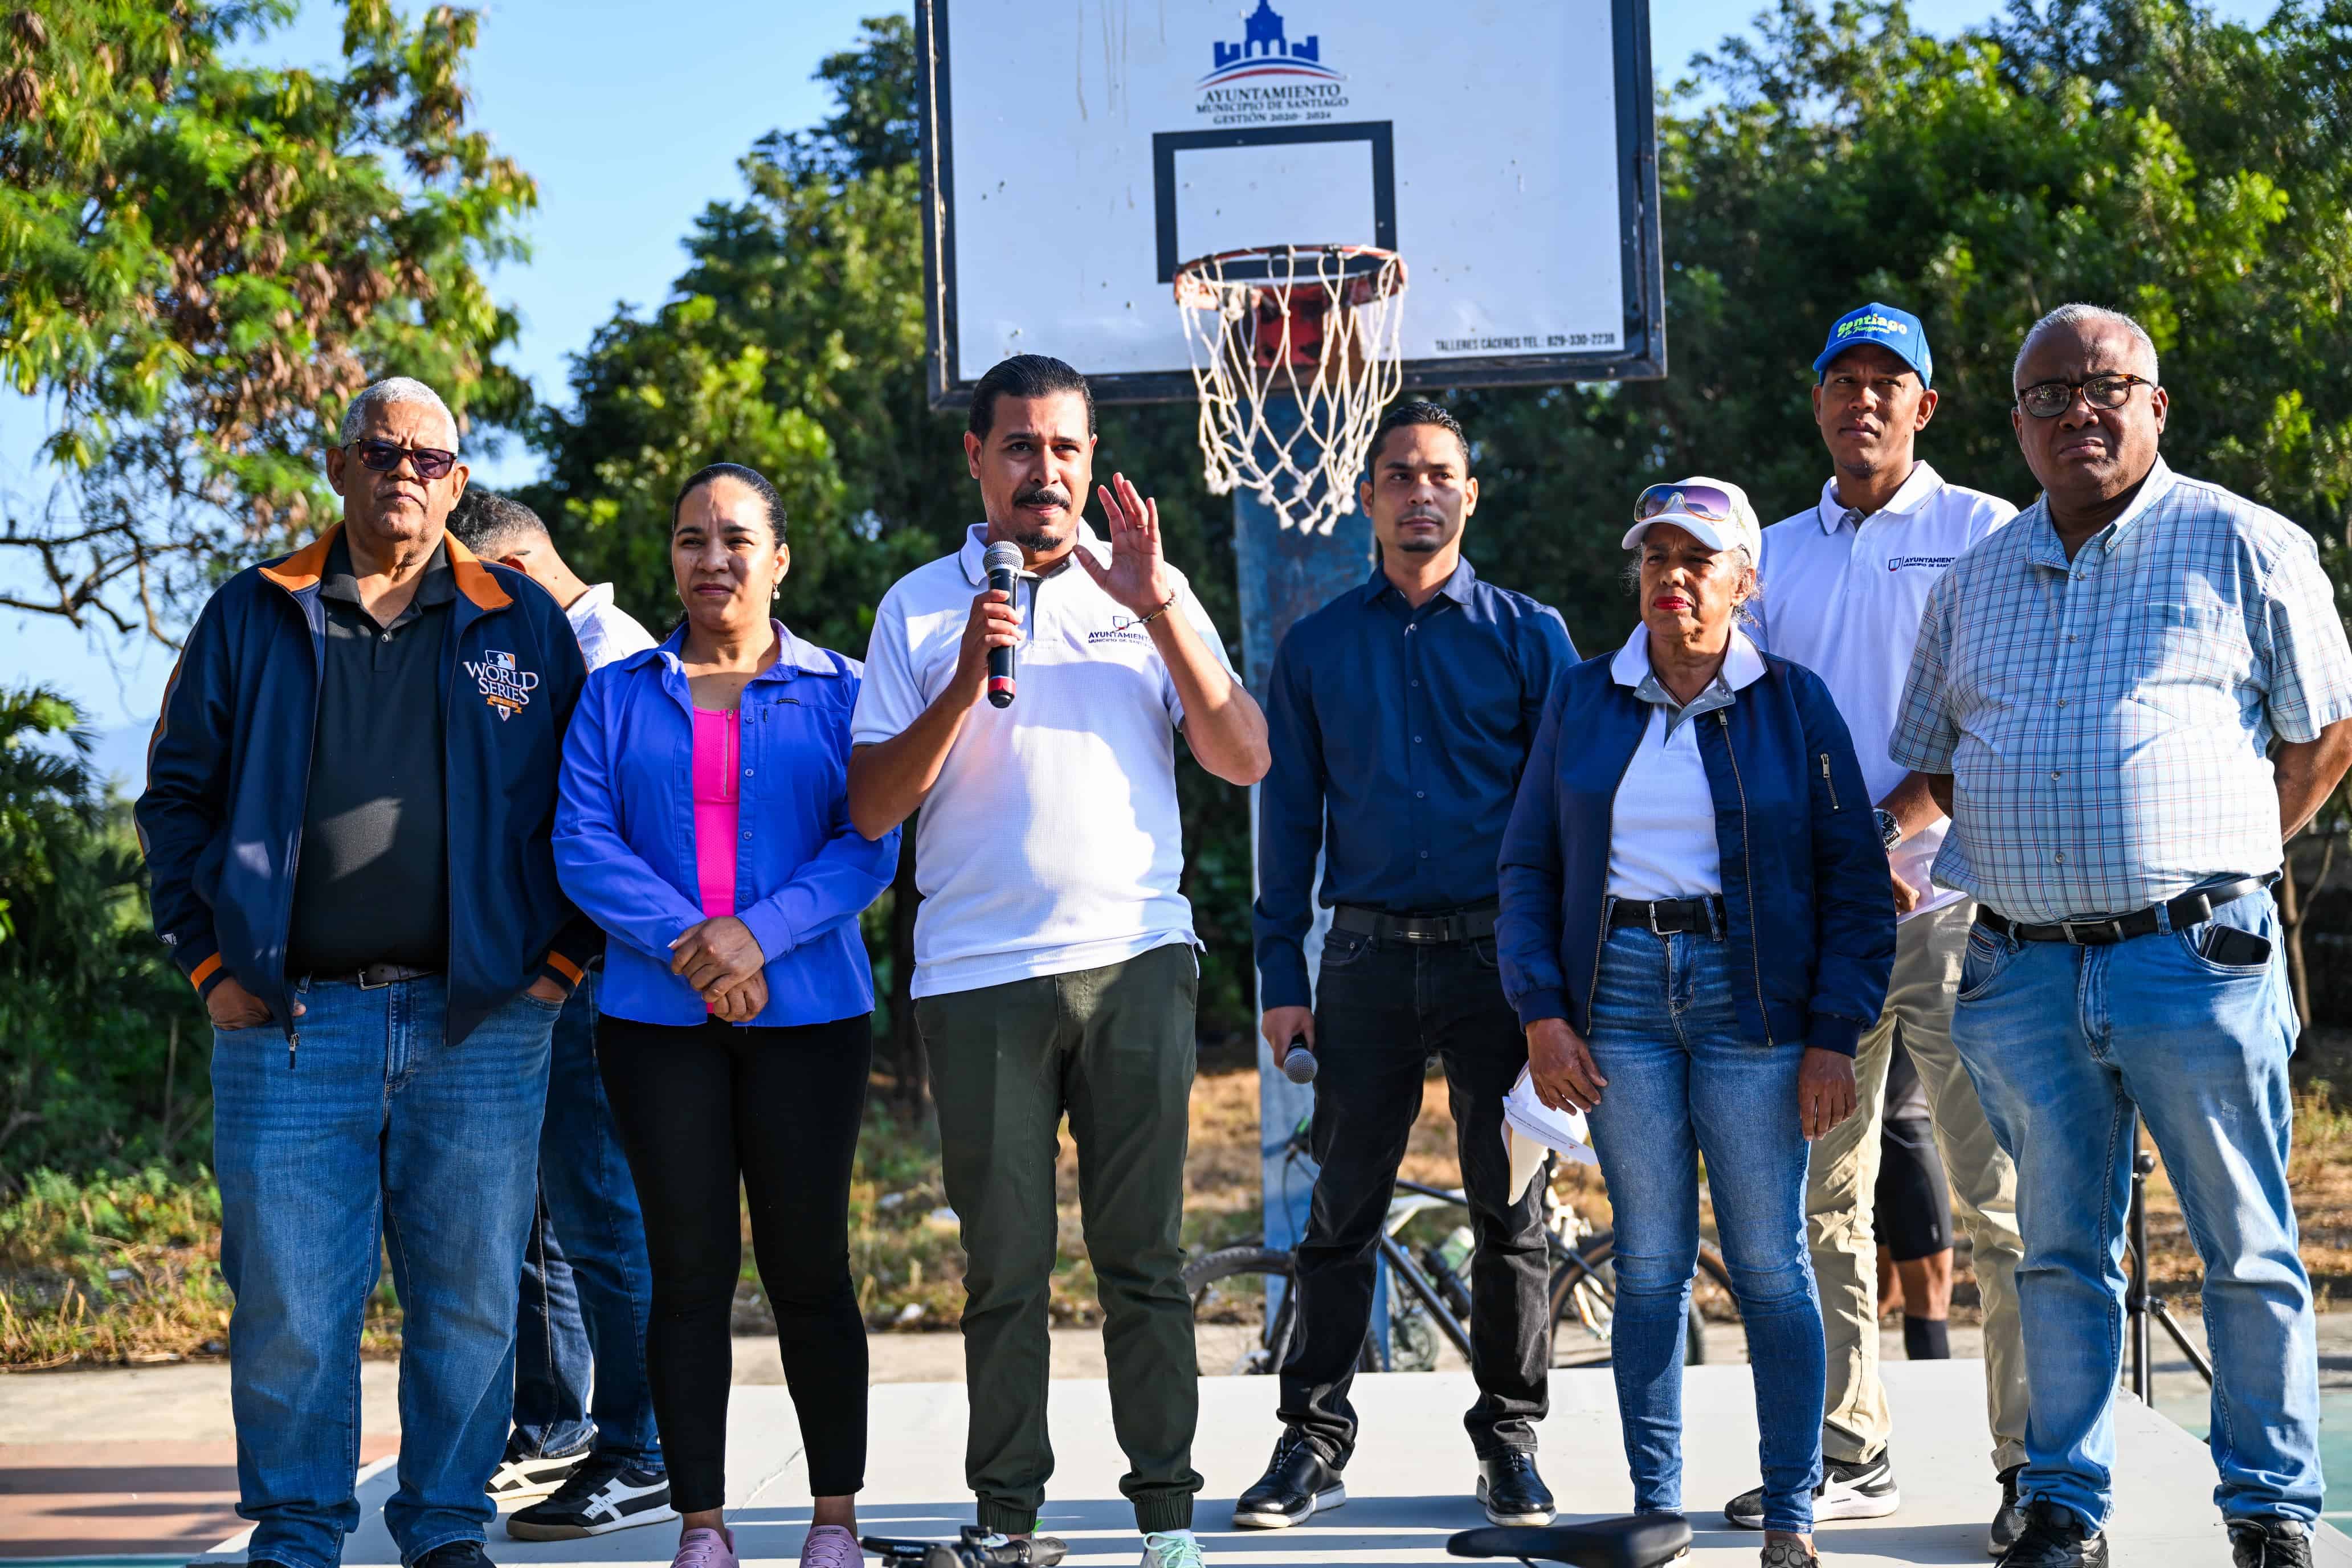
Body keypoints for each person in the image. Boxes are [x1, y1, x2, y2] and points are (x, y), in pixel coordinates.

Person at [1891, 304, 2352, 1568]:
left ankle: (2269, 1512)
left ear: (2157, 403)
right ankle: (2062, 1502)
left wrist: (2228, 858)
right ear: (2019, 423)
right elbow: (1928, 770)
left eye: (2106, 387)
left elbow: (2324, 735)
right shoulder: (1977, 572)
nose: (2078, 412)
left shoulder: (2243, 541)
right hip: (2020, 969)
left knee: (2247, 1243)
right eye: (2048, 394)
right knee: (2053, 1251)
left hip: (2190, 959)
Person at [137, 377, 595, 1568]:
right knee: (291, 1300)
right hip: (288, 1022)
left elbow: (590, 803)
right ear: (339, 466)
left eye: (430, 456)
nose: (405, 470)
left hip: (480, 1022)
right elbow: (175, 796)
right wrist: (204, 958)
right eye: (381, 449)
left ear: (458, 479)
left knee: (474, 1298)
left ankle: (446, 1524)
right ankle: (297, 1532)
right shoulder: (253, 611)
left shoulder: (524, 624)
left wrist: (556, 962)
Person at [846, 355, 1269, 1568]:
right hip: (977, 976)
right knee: (1006, 1265)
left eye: (1067, 448)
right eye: (1021, 446)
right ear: (975, 459)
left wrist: (1155, 608)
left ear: (1092, 462)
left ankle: (1167, 1519)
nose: (1046, 470)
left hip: (1134, 957)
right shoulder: (920, 607)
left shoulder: (1150, 587)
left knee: (1142, 1253)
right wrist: (966, 681)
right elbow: (873, 806)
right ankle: (1010, 1517)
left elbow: (1243, 756)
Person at [1496, 477, 1896, 1568]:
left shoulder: (1795, 704)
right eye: (1654, 557)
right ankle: (1656, 1503)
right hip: (1614, 996)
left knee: (1769, 1260)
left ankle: (1789, 1510)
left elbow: (1854, 884)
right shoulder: (1584, 696)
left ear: (1742, 580)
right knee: (1652, 1261)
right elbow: (1527, 863)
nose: (1671, 577)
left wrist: (1833, 1032)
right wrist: (1539, 1010)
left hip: (1752, 1002)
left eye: (1696, 558)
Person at [555, 463, 900, 1568]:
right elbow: (583, 841)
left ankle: (833, 1517)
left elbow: (870, 841)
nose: (714, 559)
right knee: (689, 1266)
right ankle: (702, 1523)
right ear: (671, 556)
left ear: (779, 558)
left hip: (810, 1018)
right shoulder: (616, 691)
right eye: (692, 538)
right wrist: (694, 950)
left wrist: (757, 936)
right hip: (657, 1023)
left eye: (737, 538)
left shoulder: (846, 691)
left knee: (809, 1265)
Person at [1728, 301, 2031, 1552]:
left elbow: (2008, 699)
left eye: (1886, 381)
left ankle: (2033, 1465)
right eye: (1841, 379)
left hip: (1966, 908)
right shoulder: (1773, 550)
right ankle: (1852, 1451)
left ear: (1926, 406)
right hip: (1827, 931)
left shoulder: (1984, 531)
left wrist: (1899, 817)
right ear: (1817, 402)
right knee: (1821, 1202)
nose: (1862, 399)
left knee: (2004, 1204)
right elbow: (1739, 720)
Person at [1243, 400, 1578, 1529]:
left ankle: (1512, 1441)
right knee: (1340, 1212)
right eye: (1398, 473)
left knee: (1510, 1214)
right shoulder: (1318, 646)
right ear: (1369, 496)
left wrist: (1563, 984)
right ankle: (1311, 1440)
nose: (1419, 490)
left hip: (1505, 962)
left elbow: (1572, 819)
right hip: (1365, 958)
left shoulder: (1533, 637)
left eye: (1440, 472)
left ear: (1469, 493)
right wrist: (1279, 976)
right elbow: (1286, 818)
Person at [444, 489, 670, 1538]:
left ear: (525, 566)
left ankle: (641, 1449)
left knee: (603, 1217)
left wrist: (559, 961)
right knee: (574, 1218)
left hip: (589, 980)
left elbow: (600, 834)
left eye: (482, 587)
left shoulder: (601, 652)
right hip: (554, 979)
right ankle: (575, 1430)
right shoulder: (574, 641)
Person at [1871, 1038, 1955, 1363]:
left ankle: (1851, 1402)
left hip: (1865, 1135)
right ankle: (1939, 1410)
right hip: (1906, 1140)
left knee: (1875, 1292)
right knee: (1930, 1296)